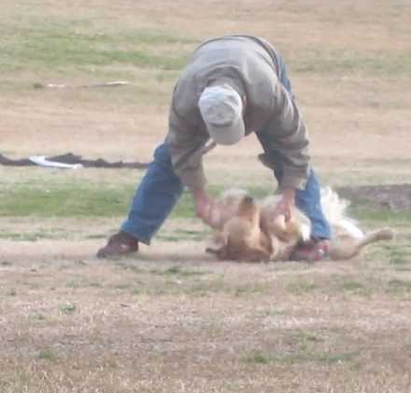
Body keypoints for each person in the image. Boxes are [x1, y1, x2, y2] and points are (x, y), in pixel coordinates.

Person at [95, 35, 333, 262]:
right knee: (168, 156)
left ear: (245, 105)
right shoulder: (186, 99)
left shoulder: (269, 94)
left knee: (283, 153)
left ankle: (316, 237)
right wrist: (200, 197)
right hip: (207, 58)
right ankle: (131, 234)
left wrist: (289, 197)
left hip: (261, 58)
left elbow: (296, 148)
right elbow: (182, 152)